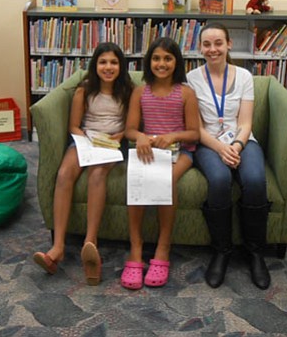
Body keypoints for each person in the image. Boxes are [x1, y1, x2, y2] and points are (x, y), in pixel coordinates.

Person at [33, 42, 133, 286]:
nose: (108, 67)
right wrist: (87, 140)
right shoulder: (84, 90)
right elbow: (74, 126)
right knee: (65, 174)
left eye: (113, 62)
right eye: (102, 62)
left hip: (112, 143)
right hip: (85, 140)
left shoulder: (128, 91)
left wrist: (115, 139)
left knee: (98, 175)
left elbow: (128, 127)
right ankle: (57, 247)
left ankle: (91, 243)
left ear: (121, 66)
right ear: (94, 65)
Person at [186, 22, 271, 290]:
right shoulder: (191, 79)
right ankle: (222, 251)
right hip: (207, 143)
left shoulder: (244, 76)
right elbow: (196, 129)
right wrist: (220, 148)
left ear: (229, 44)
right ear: (200, 48)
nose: (213, 49)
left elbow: (245, 123)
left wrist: (234, 146)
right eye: (207, 44)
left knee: (256, 180)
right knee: (220, 180)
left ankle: (255, 252)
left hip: (241, 141)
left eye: (218, 43)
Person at [122, 37, 199, 290]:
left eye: (167, 58)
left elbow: (194, 134)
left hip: (181, 153)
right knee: (138, 181)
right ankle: (136, 248)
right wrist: (142, 136)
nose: (161, 63)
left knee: (165, 181)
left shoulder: (186, 93)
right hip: (150, 152)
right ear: (149, 61)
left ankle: (163, 247)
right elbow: (130, 130)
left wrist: (172, 136)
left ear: (176, 62)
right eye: (156, 58)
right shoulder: (139, 91)